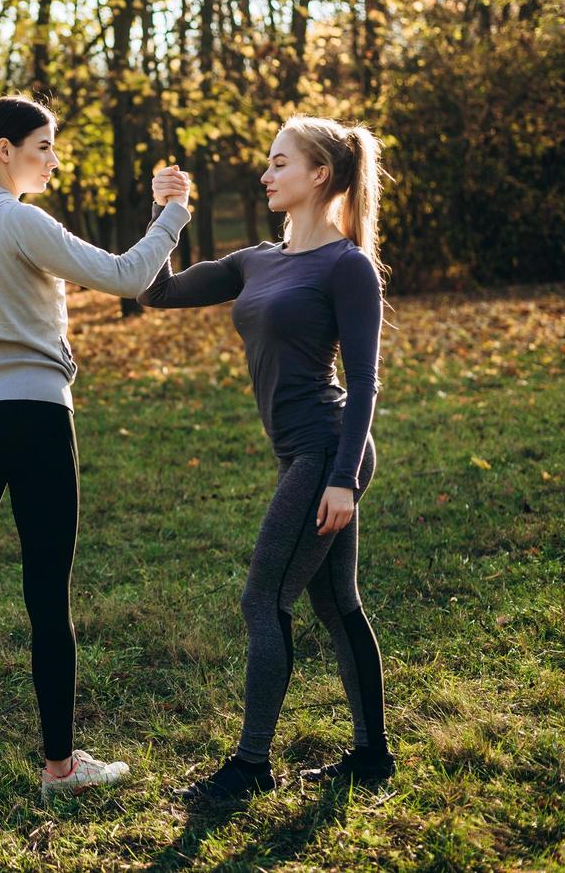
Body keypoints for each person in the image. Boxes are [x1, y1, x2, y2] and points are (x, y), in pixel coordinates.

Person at [0, 94, 194, 803]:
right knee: (46, 595)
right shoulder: (21, 221)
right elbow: (123, 275)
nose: (54, 159)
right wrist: (172, 214)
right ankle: (60, 768)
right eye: (44, 146)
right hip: (38, 418)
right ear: (4, 149)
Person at [137, 116, 396, 804]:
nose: (265, 174)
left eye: (280, 163)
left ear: (319, 176)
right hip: (300, 455)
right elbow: (154, 291)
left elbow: (366, 381)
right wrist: (167, 214)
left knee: (263, 600)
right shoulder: (258, 259)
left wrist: (343, 479)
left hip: (327, 451)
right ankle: (372, 758)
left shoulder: (347, 265)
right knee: (338, 604)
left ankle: (250, 768)